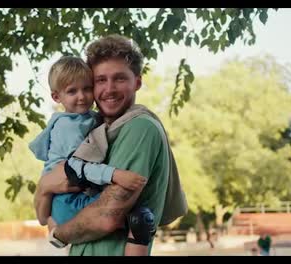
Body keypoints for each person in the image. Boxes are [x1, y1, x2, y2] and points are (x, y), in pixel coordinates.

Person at [34, 34, 187, 256]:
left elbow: (107, 217)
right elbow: (42, 212)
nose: (110, 89)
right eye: (100, 80)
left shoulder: (139, 128)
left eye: (120, 79)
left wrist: (57, 234)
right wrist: (45, 186)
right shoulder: (99, 132)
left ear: (137, 82)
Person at [29, 55, 155, 256]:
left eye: (87, 88)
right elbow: (76, 167)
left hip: (69, 195)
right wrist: (114, 174)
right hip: (67, 199)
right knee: (134, 216)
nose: (82, 97)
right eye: (72, 91)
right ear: (56, 97)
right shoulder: (68, 127)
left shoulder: (87, 118)